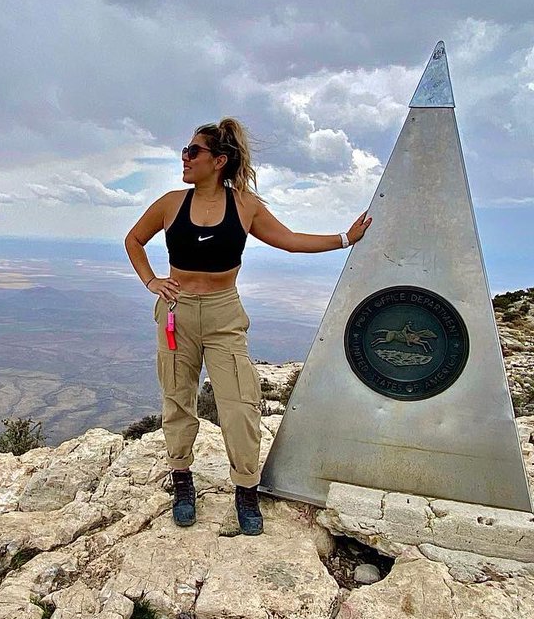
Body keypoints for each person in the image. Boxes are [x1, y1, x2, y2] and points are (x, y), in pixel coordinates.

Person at [124, 118, 370, 534]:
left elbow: (289, 240)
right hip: (176, 313)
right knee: (177, 398)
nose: (184, 158)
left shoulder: (244, 206)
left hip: (223, 315)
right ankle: (182, 480)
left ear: (218, 160)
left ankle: (245, 489)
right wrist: (151, 281)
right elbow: (134, 240)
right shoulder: (170, 203)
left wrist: (344, 239)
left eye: (193, 151)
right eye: (185, 150)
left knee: (239, 404)